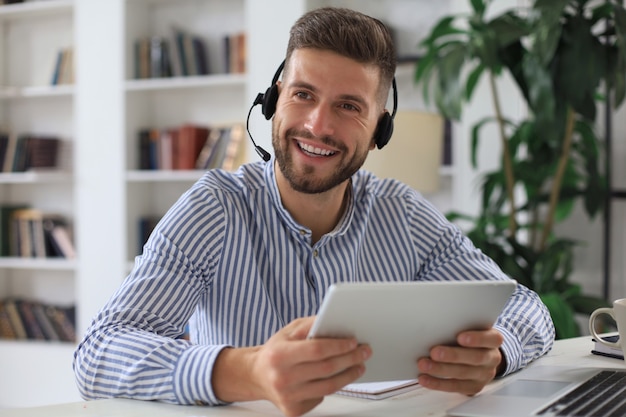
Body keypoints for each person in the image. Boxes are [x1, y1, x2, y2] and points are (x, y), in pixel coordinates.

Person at [73, 7, 555, 417]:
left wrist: (494, 355)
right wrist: (248, 371)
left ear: (378, 131)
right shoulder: (215, 207)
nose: (318, 126)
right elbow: (97, 354)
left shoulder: (403, 213)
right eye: (303, 94)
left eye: (349, 106)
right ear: (274, 100)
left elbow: (526, 307)